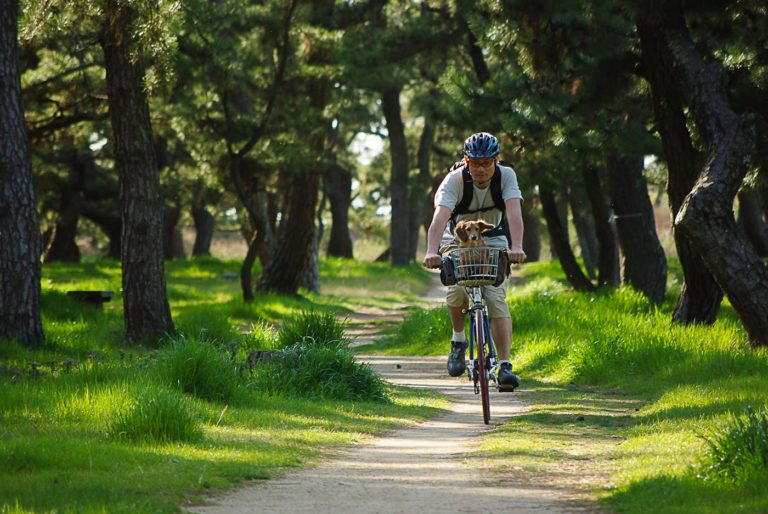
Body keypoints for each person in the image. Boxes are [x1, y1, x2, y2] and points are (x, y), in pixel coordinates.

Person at [423, 132, 526, 389]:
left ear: (496, 160)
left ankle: (504, 366)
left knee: (495, 298)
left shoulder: (506, 176)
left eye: (486, 163)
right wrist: (431, 251)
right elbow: (438, 220)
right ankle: (459, 340)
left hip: (494, 239)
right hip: (456, 238)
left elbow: (514, 213)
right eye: (475, 163)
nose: (481, 169)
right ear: (466, 161)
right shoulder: (454, 181)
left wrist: (517, 247)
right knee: (457, 290)